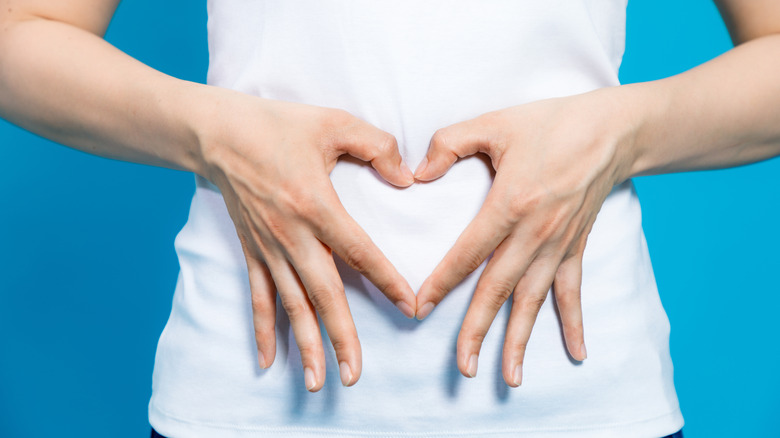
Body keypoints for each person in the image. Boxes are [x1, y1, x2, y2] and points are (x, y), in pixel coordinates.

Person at [1, 0, 778, 437]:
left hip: (580, 403)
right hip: (254, 402)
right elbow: (18, 32)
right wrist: (212, 133)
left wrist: (625, 131)